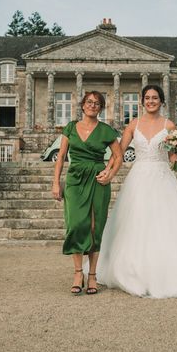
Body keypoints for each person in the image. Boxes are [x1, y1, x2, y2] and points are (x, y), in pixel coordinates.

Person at [96, 85, 177, 298]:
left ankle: (169, 272)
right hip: (138, 178)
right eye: (147, 98)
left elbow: (174, 158)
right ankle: (133, 271)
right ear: (142, 101)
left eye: (155, 98)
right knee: (135, 223)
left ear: (161, 101)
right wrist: (108, 171)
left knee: (166, 224)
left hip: (163, 178)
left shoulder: (169, 125)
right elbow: (119, 153)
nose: (151, 101)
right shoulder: (133, 124)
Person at [52, 90, 123, 295]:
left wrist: (109, 174)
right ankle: (77, 272)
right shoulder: (71, 127)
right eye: (89, 102)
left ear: (101, 108)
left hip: (97, 180)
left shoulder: (106, 130)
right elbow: (61, 156)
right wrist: (56, 183)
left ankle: (92, 275)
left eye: (97, 103)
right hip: (74, 179)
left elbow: (118, 157)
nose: (93, 105)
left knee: (94, 226)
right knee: (75, 224)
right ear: (82, 105)